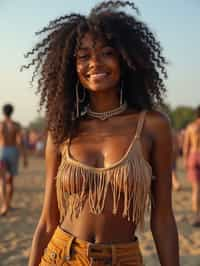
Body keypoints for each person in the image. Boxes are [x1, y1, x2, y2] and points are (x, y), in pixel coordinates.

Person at [24, 1, 179, 265]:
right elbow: (48, 221)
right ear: (71, 67)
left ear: (124, 58)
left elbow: (163, 217)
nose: (95, 63)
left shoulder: (153, 125)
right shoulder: (62, 130)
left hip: (124, 258)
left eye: (107, 52)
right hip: (62, 255)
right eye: (83, 56)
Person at [0, 103, 28, 215]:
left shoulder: (0, 125)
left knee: (2, 180)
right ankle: (8, 204)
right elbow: (20, 142)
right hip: (13, 152)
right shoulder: (16, 125)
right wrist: (25, 157)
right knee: (10, 181)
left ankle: (4, 205)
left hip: (2, 152)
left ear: (3, 112)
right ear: (12, 112)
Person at [183, 106, 200, 227]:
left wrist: (185, 160)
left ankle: (197, 217)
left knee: (196, 189)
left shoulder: (190, 127)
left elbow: (186, 146)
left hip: (193, 156)